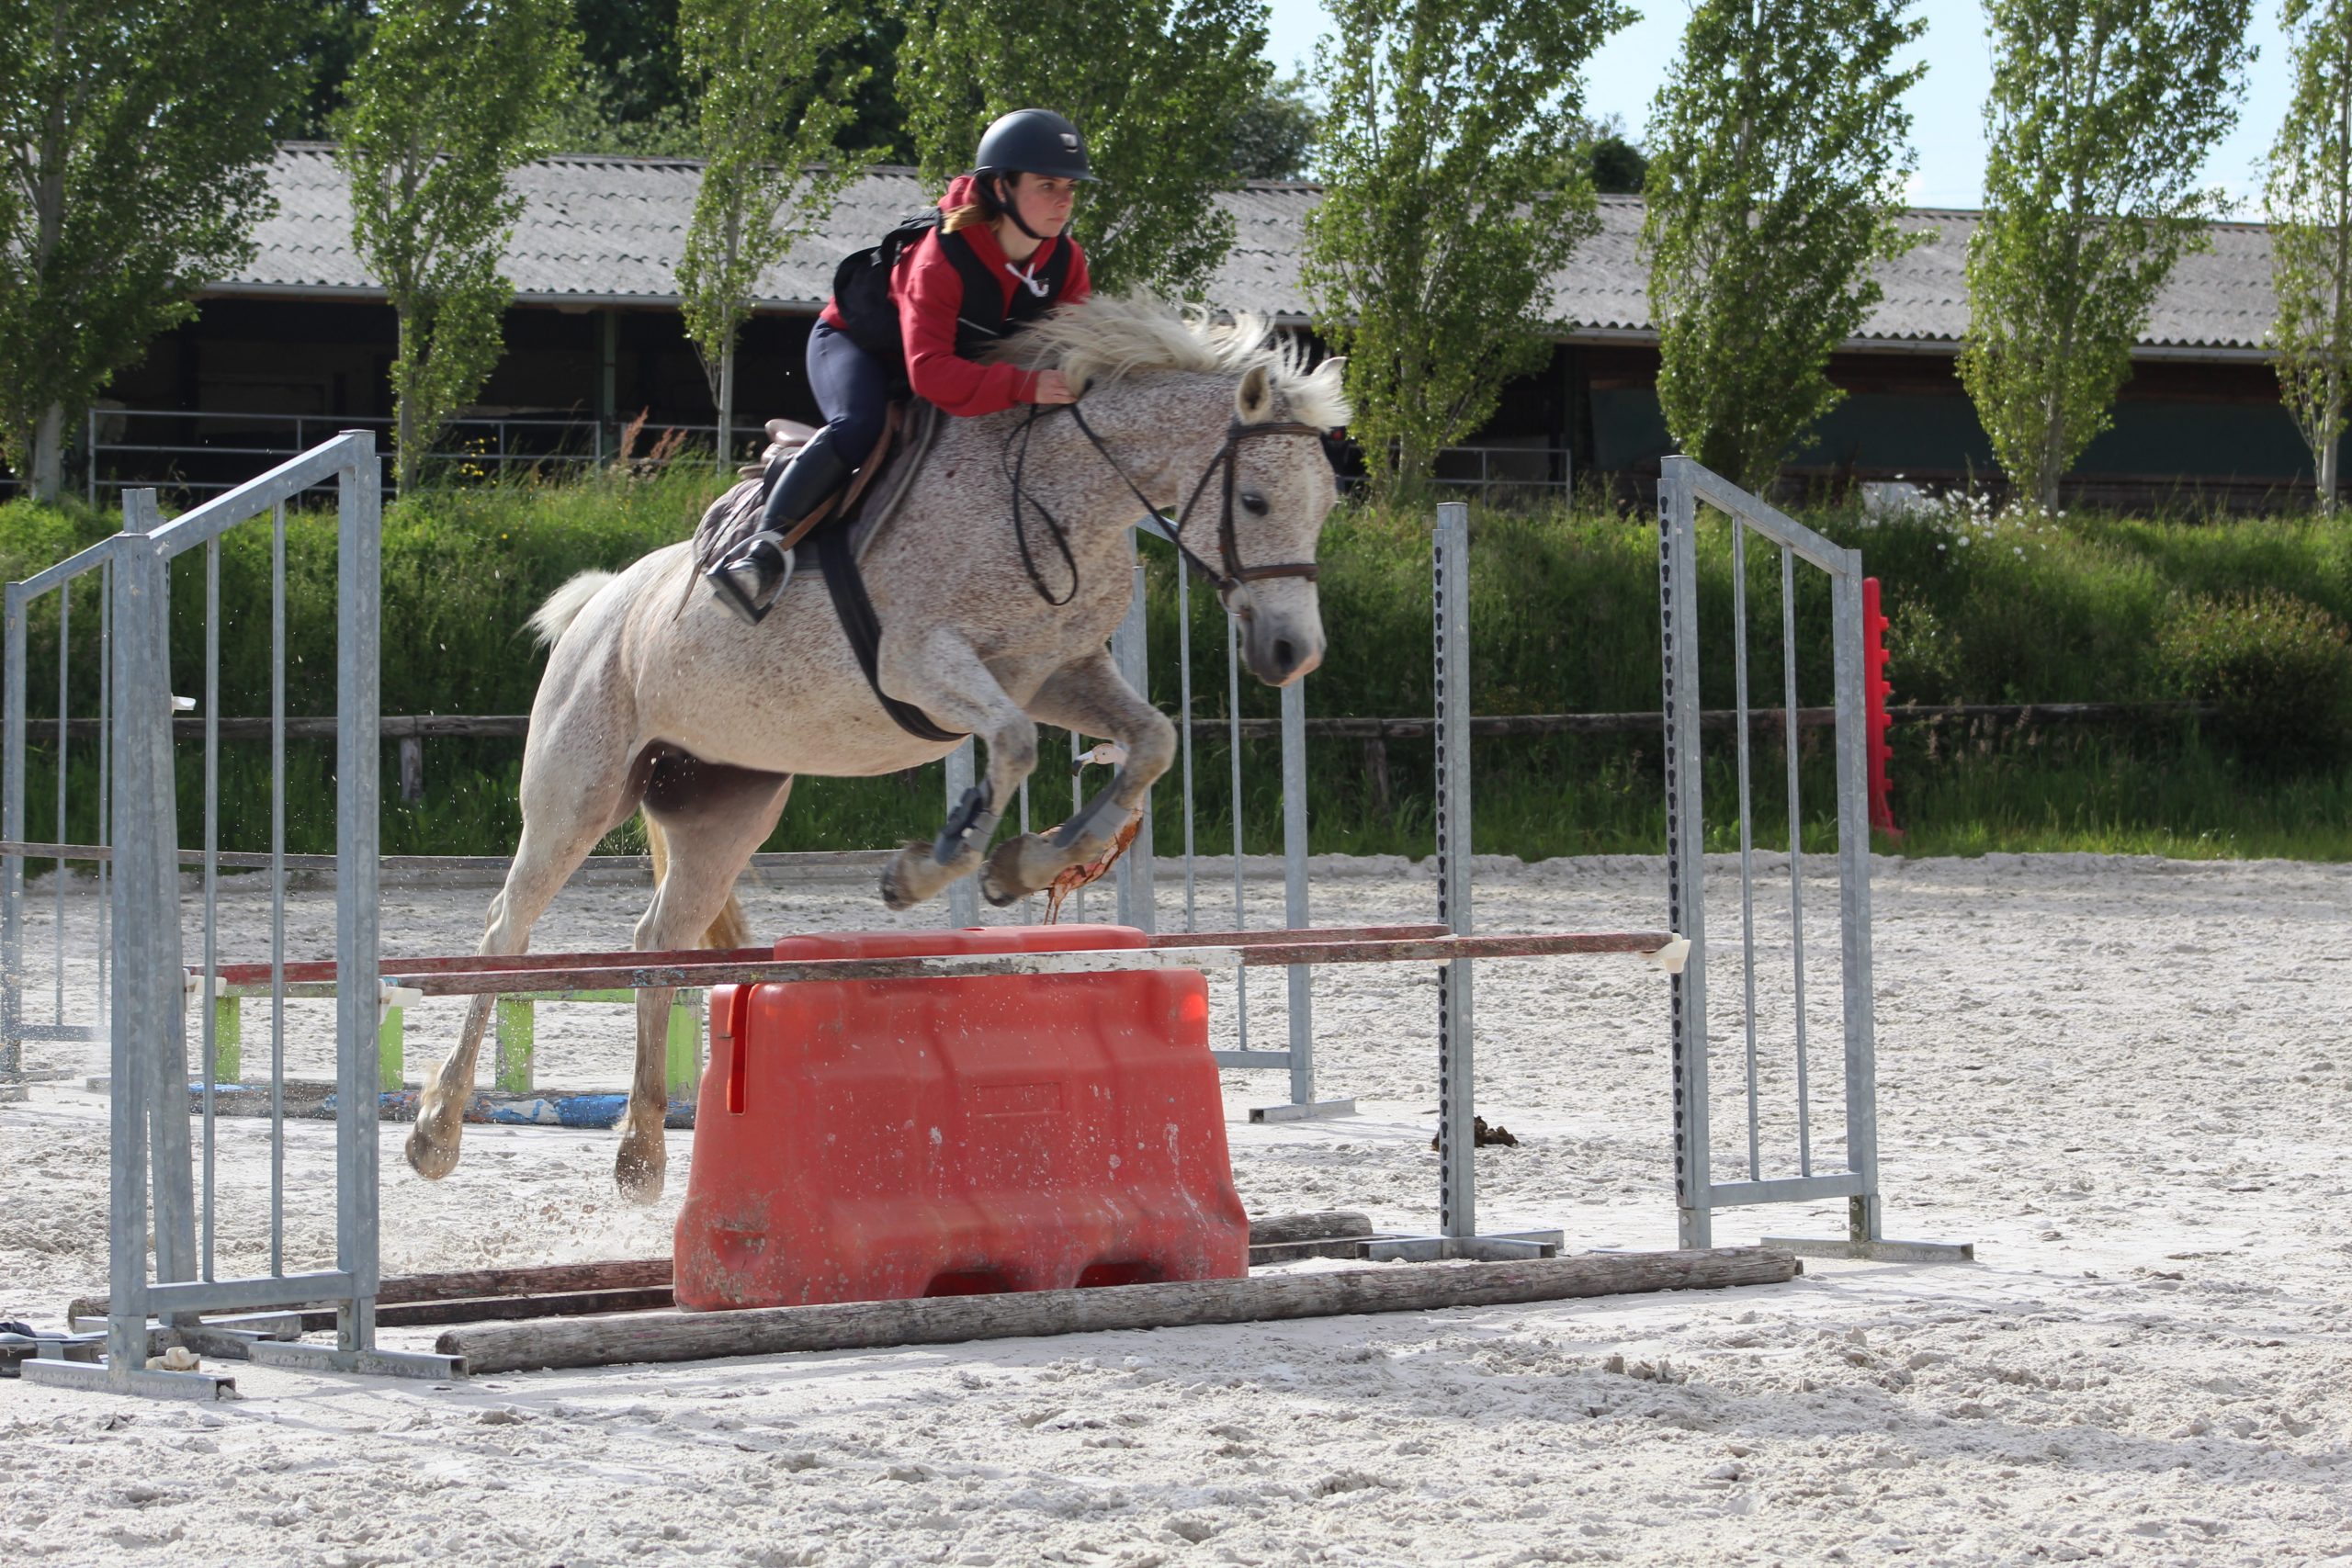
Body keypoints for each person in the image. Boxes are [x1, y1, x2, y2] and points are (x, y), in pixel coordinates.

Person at [707, 108, 1097, 624]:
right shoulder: (942, 256)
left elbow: (1076, 350)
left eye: (1070, 186)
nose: (1064, 199)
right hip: (856, 347)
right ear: (1001, 187)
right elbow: (932, 373)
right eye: (1047, 185)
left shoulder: (1067, 263)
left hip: (947, 367)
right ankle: (762, 552)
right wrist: (1025, 384)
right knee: (860, 425)